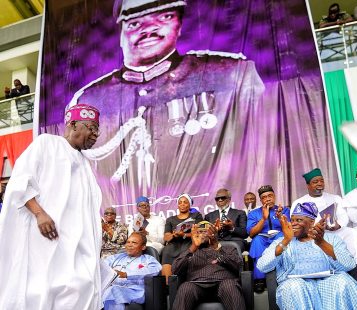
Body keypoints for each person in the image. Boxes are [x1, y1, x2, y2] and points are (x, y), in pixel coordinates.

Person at [67, 0, 265, 210]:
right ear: (120, 31)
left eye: (164, 17)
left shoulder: (230, 74)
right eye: (135, 23)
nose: (149, 30)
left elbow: (260, 146)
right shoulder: (90, 99)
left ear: (180, 24)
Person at [0, 104, 103, 309]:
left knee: (81, 287)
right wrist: (39, 214)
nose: (96, 135)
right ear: (73, 124)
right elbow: (20, 182)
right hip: (46, 237)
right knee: (42, 290)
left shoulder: (84, 163)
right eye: (92, 128)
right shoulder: (47, 143)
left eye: (97, 130)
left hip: (76, 244)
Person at [257, 202, 357, 310]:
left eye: (299, 220)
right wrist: (286, 241)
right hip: (297, 284)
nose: (293, 223)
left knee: (343, 281)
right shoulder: (281, 241)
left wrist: (322, 243)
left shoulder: (331, 238)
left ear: (311, 222)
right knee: (292, 287)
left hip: (330, 281)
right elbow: (262, 266)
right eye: (292, 220)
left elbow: (349, 264)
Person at [291, 168, 357, 266]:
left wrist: (338, 225)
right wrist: (317, 227)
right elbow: (297, 224)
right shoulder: (299, 202)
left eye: (321, 181)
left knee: (352, 232)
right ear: (308, 185)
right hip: (314, 233)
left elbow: (343, 216)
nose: (319, 183)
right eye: (315, 182)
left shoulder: (335, 198)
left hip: (334, 230)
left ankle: (356, 266)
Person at [171, 221, 246, 310]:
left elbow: (238, 266)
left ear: (214, 233)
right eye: (200, 232)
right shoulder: (190, 251)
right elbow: (175, 269)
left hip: (223, 283)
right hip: (196, 285)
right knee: (185, 288)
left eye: (206, 231)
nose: (203, 234)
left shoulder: (228, 248)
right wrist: (193, 247)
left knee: (230, 285)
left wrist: (217, 248)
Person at [247, 185, 290, 293]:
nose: (268, 199)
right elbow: (251, 233)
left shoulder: (284, 210)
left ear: (274, 196)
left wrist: (281, 217)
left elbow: (289, 230)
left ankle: (284, 275)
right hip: (262, 239)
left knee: (282, 238)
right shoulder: (253, 213)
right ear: (261, 200)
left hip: (279, 237)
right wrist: (263, 218)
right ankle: (259, 279)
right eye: (264, 197)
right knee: (256, 240)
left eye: (270, 195)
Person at [102, 232, 162, 310]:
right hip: (113, 287)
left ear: (143, 247)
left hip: (135, 291)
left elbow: (155, 270)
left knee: (112, 291)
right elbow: (103, 266)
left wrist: (127, 274)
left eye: (134, 243)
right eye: (128, 242)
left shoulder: (148, 259)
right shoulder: (117, 257)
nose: (129, 245)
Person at [162, 193, 203, 279]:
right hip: (174, 244)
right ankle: (169, 285)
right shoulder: (170, 219)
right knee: (166, 250)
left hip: (190, 243)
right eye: (180, 202)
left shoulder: (196, 216)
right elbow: (166, 237)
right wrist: (174, 234)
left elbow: (199, 233)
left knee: (187, 252)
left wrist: (184, 234)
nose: (182, 204)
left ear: (190, 204)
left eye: (185, 202)